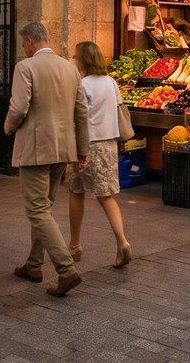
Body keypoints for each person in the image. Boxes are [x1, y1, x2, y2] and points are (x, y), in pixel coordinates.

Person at [4, 22, 90, 298]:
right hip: (62, 150)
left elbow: (18, 107)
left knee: (38, 211)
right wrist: (82, 150)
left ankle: (66, 270)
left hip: (35, 149)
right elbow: (81, 113)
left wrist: (7, 127)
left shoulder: (25, 67)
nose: (24, 48)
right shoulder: (70, 69)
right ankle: (33, 265)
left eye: (24, 44)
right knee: (46, 208)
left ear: (30, 40)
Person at [66, 41, 134, 269]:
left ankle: (75, 245)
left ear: (82, 60)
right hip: (109, 145)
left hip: (87, 145)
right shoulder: (112, 82)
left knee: (76, 191)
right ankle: (122, 242)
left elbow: (77, 117)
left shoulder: (81, 84)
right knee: (107, 195)